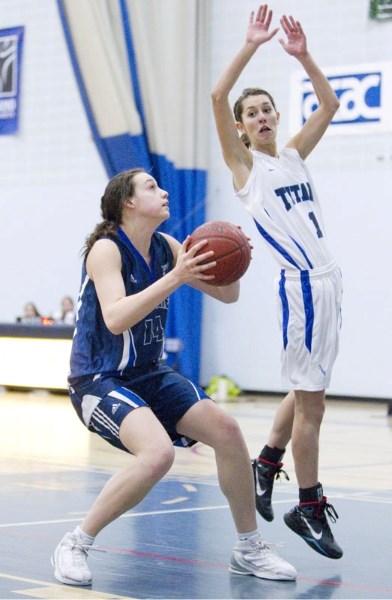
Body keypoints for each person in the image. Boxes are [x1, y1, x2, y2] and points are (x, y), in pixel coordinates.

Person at [51, 168, 297, 586]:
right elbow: (114, 319)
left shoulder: (167, 247)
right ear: (127, 202)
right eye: (151, 187)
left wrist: (229, 258)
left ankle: (248, 547)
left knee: (227, 430)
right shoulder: (105, 250)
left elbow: (227, 294)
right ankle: (76, 542)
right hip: (98, 378)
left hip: (148, 373)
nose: (163, 191)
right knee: (158, 455)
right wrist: (177, 276)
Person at [211, 5, 343, 560]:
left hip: (330, 283)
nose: (263, 117)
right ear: (241, 127)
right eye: (253, 113)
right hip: (302, 288)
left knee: (306, 386)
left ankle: (266, 463)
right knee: (312, 407)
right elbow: (217, 98)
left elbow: (331, 103)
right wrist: (250, 46)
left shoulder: (291, 156)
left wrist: (302, 55)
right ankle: (307, 505)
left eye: (268, 109)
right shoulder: (246, 170)